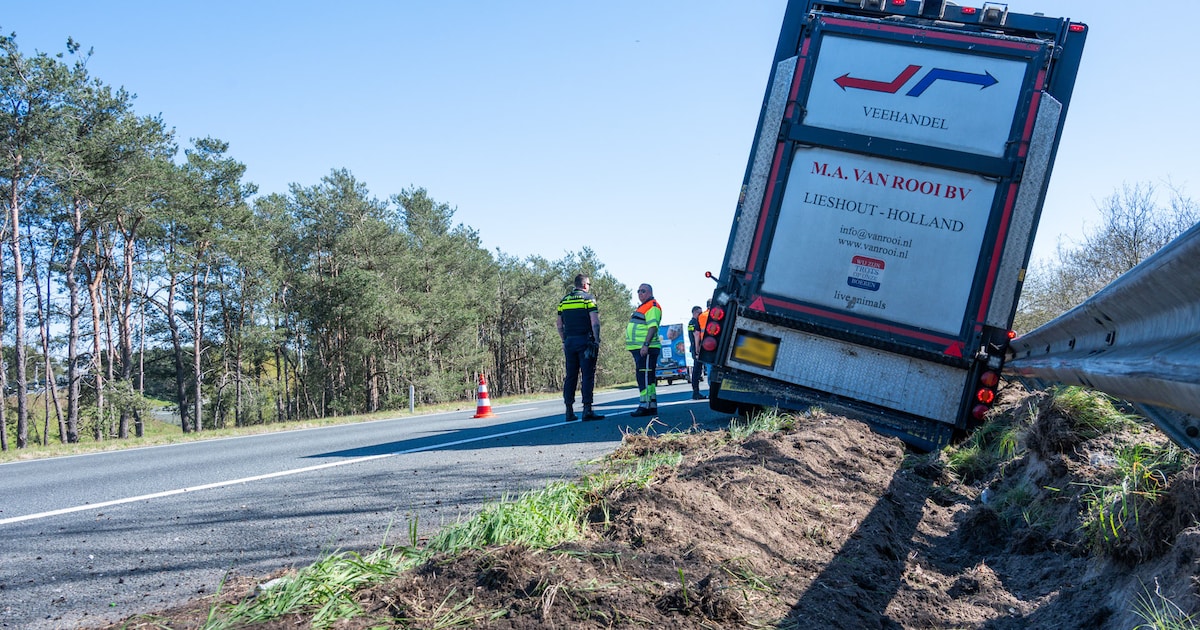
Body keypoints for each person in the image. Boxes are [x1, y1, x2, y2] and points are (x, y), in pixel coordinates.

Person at [557, 274, 604, 421]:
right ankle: (587, 409)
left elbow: (559, 325)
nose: (589, 286)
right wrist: (596, 339)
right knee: (587, 374)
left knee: (571, 375)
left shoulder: (564, 301)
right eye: (589, 284)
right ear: (584, 285)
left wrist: (564, 341)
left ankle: (569, 410)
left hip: (570, 341)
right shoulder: (588, 299)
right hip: (585, 341)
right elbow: (594, 322)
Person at [625, 283, 662, 417]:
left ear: (650, 292)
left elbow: (653, 327)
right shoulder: (643, 306)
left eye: (643, 291)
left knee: (644, 376)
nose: (640, 293)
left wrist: (645, 344)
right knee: (648, 377)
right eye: (638, 291)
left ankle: (644, 405)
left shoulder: (652, 306)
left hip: (646, 348)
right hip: (640, 348)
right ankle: (651, 404)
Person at [687, 305, 706, 400]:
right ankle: (696, 393)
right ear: (695, 312)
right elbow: (696, 335)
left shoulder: (691, 323)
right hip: (697, 349)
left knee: (697, 370)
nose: (701, 314)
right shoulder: (695, 322)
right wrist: (698, 350)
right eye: (700, 312)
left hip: (694, 348)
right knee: (697, 371)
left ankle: (695, 392)